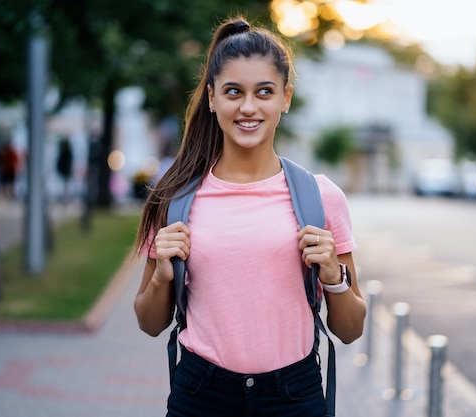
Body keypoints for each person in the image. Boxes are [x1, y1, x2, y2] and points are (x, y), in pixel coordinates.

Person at [134, 17, 366, 417]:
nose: (248, 107)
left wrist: (333, 277)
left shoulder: (320, 196)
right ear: (211, 97)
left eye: (264, 92)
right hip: (201, 395)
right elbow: (149, 323)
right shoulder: (177, 198)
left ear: (285, 98)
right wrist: (161, 277)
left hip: (294, 396)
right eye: (233, 92)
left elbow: (350, 330)